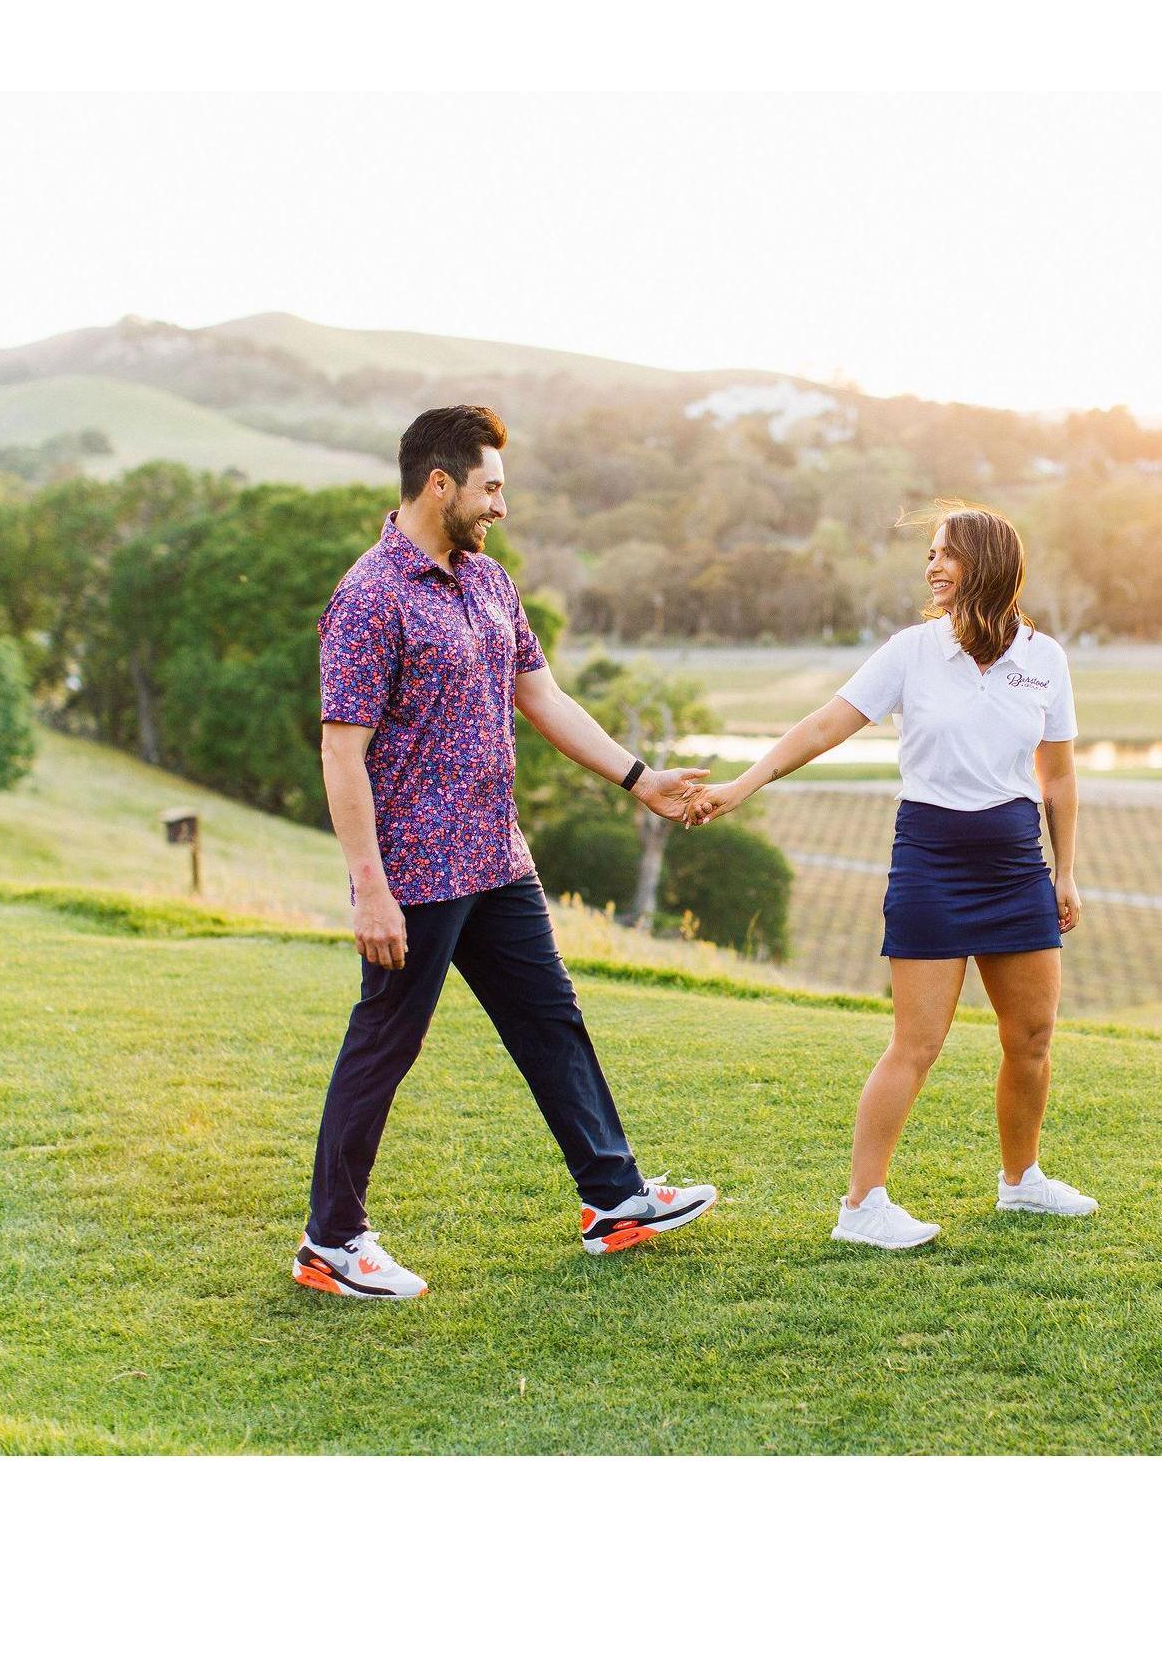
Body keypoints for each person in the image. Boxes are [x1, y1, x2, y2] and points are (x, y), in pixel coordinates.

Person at [295, 404, 718, 1298]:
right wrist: (369, 889)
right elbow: (340, 752)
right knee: (386, 1042)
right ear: (438, 484)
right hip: (416, 869)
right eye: (489, 488)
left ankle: (613, 1198)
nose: (500, 506)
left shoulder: (488, 581)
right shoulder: (369, 596)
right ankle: (330, 1243)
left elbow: (544, 696)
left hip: (496, 855)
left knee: (549, 1019)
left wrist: (639, 778)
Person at [687, 503, 1092, 1249]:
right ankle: (862, 1206)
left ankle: (1022, 1182)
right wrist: (740, 787)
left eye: (945, 553)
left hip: (1015, 865)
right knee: (918, 1042)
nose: (932, 567)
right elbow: (823, 725)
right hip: (932, 861)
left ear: (988, 563)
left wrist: (1065, 874)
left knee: (1032, 1037)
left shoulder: (1046, 660)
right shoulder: (911, 652)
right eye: (929, 554)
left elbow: (1058, 779)